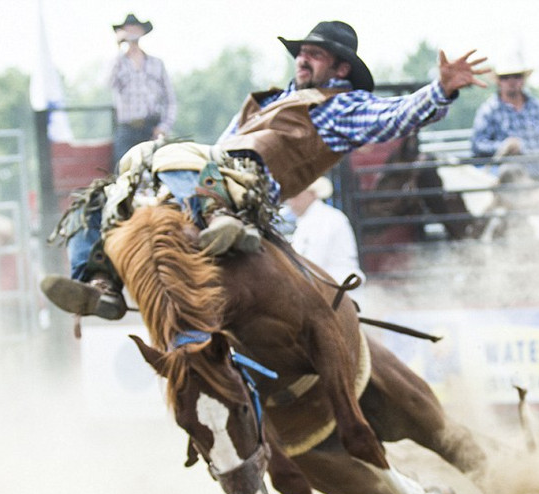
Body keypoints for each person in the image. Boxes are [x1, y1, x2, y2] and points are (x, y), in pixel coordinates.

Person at [41, 20, 488, 321]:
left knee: (184, 159)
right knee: (100, 195)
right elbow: (221, 148)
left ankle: (220, 218)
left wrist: (440, 89)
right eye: (302, 53)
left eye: (315, 55)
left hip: (249, 193)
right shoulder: (268, 100)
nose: (303, 60)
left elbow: (394, 116)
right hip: (207, 175)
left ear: (341, 68)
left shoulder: (342, 106)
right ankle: (100, 284)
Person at [470, 55, 539, 180]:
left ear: (523, 79)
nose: (512, 81)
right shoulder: (489, 111)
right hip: (513, 179)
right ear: (499, 81)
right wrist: (504, 146)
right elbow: (478, 145)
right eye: (505, 77)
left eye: (517, 76)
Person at [110, 14, 177, 164]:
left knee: (160, 168)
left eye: (135, 28)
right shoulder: (119, 62)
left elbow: (170, 99)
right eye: (128, 28)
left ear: (141, 31)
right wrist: (118, 48)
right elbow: (107, 82)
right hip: (127, 129)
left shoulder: (156, 63)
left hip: (151, 127)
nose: (132, 32)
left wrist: (164, 127)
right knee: (122, 170)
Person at [287, 176, 365, 287]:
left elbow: (312, 261)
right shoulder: (314, 219)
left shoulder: (324, 219)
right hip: (330, 284)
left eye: (295, 196)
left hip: (337, 285)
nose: (291, 202)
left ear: (312, 194)